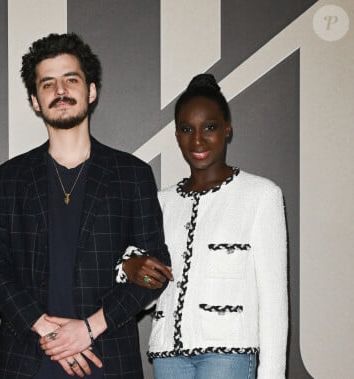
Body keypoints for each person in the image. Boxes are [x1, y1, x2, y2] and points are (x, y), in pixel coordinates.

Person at [0, 33, 172, 379]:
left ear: (91, 91)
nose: (60, 90)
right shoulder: (10, 178)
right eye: (47, 83)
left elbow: (153, 269)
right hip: (29, 358)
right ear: (35, 101)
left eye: (71, 79)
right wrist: (45, 329)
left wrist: (89, 328)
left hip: (107, 357)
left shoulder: (131, 175)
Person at [119, 73, 288, 378]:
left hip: (229, 356)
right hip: (168, 355)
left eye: (209, 127)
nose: (197, 140)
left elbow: (274, 301)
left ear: (227, 129)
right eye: (187, 129)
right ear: (176, 135)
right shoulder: (161, 202)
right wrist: (129, 268)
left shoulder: (261, 195)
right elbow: (149, 291)